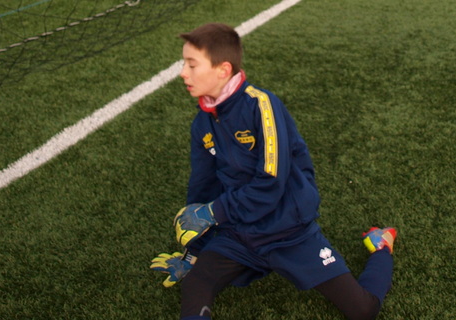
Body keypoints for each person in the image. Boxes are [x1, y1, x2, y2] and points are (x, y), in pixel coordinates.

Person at [150, 22, 396, 320]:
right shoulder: (202, 122)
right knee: (195, 284)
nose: (183, 73)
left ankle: (381, 246)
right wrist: (195, 251)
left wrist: (214, 212)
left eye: (191, 64)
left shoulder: (261, 106)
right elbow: (203, 187)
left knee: (363, 310)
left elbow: (271, 182)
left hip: (288, 233)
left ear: (223, 69)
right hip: (239, 233)